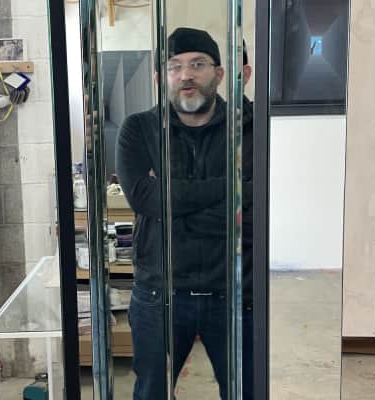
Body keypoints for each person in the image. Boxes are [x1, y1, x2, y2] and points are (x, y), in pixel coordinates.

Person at [116, 27, 254, 399]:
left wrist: (172, 207)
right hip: (159, 295)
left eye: (198, 64)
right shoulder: (139, 130)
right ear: (160, 78)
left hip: (233, 292)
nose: (186, 75)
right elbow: (145, 200)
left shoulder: (250, 127)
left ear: (219, 74)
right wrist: (230, 187)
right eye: (174, 66)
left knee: (246, 390)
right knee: (151, 393)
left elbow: (256, 206)